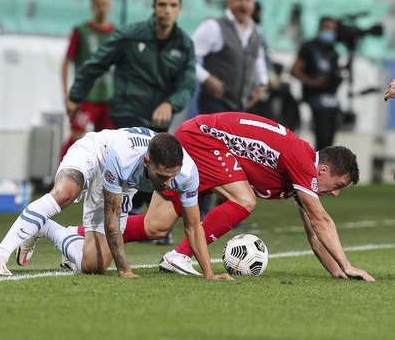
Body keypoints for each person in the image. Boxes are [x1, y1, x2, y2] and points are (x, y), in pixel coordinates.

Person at [97, 112, 373, 281]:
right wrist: (348, 264)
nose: (335, 193)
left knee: (155, 226)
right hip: (203, 140)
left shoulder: (300, 176)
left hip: (203, 143)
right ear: (322, 169)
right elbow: (322, 220)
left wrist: (336, 270)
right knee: (245, 199)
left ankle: (83, 234)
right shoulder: (301, 160)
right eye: (338, 184)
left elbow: (314, 231)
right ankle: (179, 256)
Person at [0, 129, 232, 281]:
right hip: (95, 153)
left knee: (94, 266)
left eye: (172, 176)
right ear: (147, 162)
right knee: (64, 193)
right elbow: (111, 219)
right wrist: (124, 269)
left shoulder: (187, 174)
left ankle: (44, 228)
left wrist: (209, 273)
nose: (168, 184)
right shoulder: (123, 159)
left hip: (124, 184)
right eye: (162, 177)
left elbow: (193, 226)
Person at [67, 0, 196, 134]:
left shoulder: (184, 44)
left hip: (160, 119)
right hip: (127, 114)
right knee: (134, 152)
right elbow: (96, 64)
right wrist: (75, 97)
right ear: (153, 6)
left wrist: (170, 104)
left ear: (180, 9)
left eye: (173, 5)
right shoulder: (130, 35)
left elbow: (187, 86)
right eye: (162, 4)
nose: (167, 10)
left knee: (153, 156)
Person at [192, 0, 268, 115]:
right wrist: (206, 78)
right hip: (214, 103)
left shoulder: (256, 31)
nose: (244, 5)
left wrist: (262, 83)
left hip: (241, 106)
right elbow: (188, 55)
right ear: (228, 1)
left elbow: (257, 59)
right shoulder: (213, 26)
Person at [60, 0, 115, 160]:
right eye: (98, 5)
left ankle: (101, 183)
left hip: (110, 97)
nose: (102, 9)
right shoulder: (82, 31)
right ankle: (61, 178)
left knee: (108, 143)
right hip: (86, 97)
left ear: (110, 7)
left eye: (105, 5)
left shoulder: (117, 33)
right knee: (77, 137)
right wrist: (67, 94)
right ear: (92, 7)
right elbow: (66, 62)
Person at [291, 17, 342, 150]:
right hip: (312, 98)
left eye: (332, 29)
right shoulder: (309, 47)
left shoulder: (333, 51)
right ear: (320, 28)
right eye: (326, 28)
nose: (329, 32)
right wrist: (312, 83)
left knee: (329, 139)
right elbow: (295, 70)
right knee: (318, 136)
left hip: (329, 100)